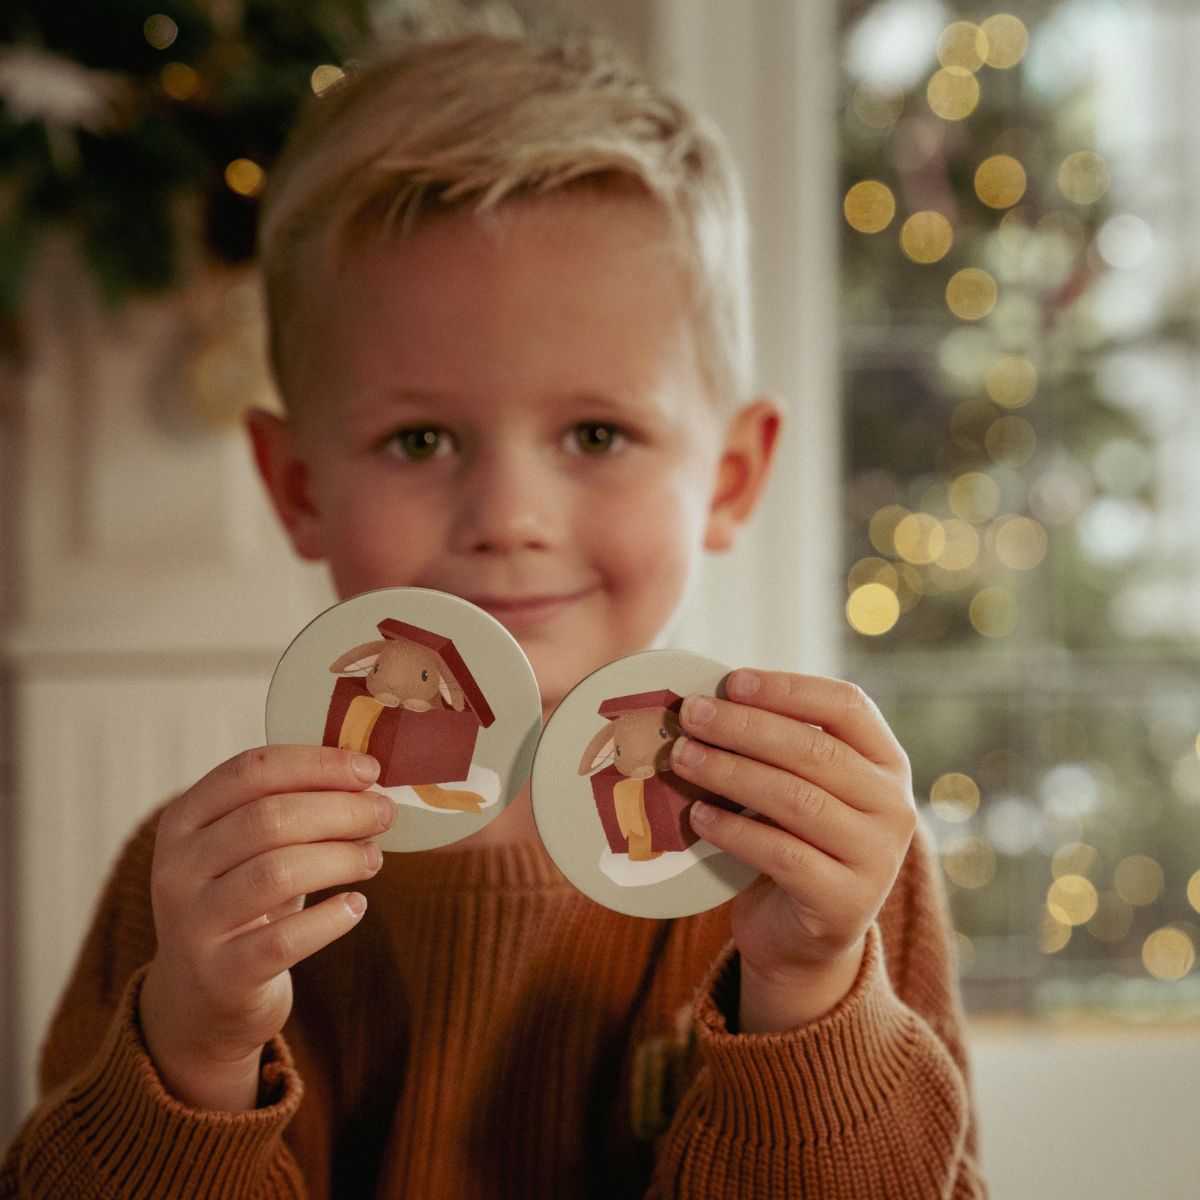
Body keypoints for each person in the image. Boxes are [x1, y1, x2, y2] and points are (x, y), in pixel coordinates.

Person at [0, 22, 986, 1200]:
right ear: (296, 486)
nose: (509, 514)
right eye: (420, 439)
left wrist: (808, 995)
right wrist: (196, 1051)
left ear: (729, 477)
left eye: (596, 434)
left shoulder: (817, 862)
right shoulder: (207, 884)